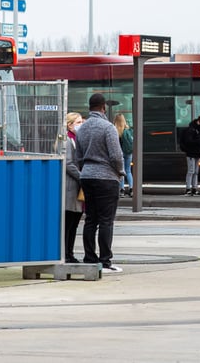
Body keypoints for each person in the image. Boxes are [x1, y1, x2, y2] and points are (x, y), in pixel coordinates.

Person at [74, 93, 125, 273]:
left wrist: (85, 169)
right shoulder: (108, 127)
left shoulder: (83, 129)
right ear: (103, 108)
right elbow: (116, 155)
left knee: (91, 219)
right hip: (106, 177)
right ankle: (105, 260)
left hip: (87, 176)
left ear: (90, 107)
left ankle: (89, 257)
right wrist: (120, 172)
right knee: (106, 221)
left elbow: (78, 156)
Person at [62, 112, 84, 263]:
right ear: (70, 124)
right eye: (78, 122)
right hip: (70, 186)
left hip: (75, 186)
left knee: (74, 223)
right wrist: (82, 177)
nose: (81, 124)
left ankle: (69, 253)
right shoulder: (68, 140)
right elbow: (68, 163)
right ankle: (66, 254)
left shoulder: (77, 139)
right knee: (69, 223)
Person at [179, 114, 200, 196]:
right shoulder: (192, 130)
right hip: (192, 152)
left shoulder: (194, 129)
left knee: (193, 171)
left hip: (194, 152)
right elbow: (189, 141)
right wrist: (199, 141)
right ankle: (190, 188)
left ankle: (192, 188)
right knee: (192, 171)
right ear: (199, 122)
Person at [114, 113, 134, 197]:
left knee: (121, 171)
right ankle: (131, 188)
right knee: (128, 170)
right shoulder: (128, 130)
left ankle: (121, 190)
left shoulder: (114, 130)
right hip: (128, 152)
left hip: (119, 153)